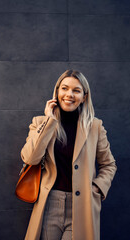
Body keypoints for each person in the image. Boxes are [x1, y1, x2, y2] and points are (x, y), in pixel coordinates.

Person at [20, 69, 117, 240]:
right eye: (64, 88)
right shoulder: (40, 122)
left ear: (84, 97)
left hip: (82, 205)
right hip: (50, 204)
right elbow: (30, 158)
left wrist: (96, 189)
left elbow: (109, 164)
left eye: (76, 90)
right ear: (57, 92)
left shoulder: (95, 127)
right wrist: (50, 122)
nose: (69, 94)